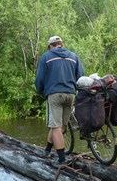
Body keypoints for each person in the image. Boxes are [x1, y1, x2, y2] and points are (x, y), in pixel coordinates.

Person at [35, 35, 85, 167]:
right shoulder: (74, 57)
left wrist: (41, 91)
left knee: (56, 126)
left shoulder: (46, 57)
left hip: (55, 94)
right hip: (70, 95)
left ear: (50, 46)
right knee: (58, 126)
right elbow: (81, 77)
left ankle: (62, 159)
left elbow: (40, 79)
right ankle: (47, 150)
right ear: (61, 44)